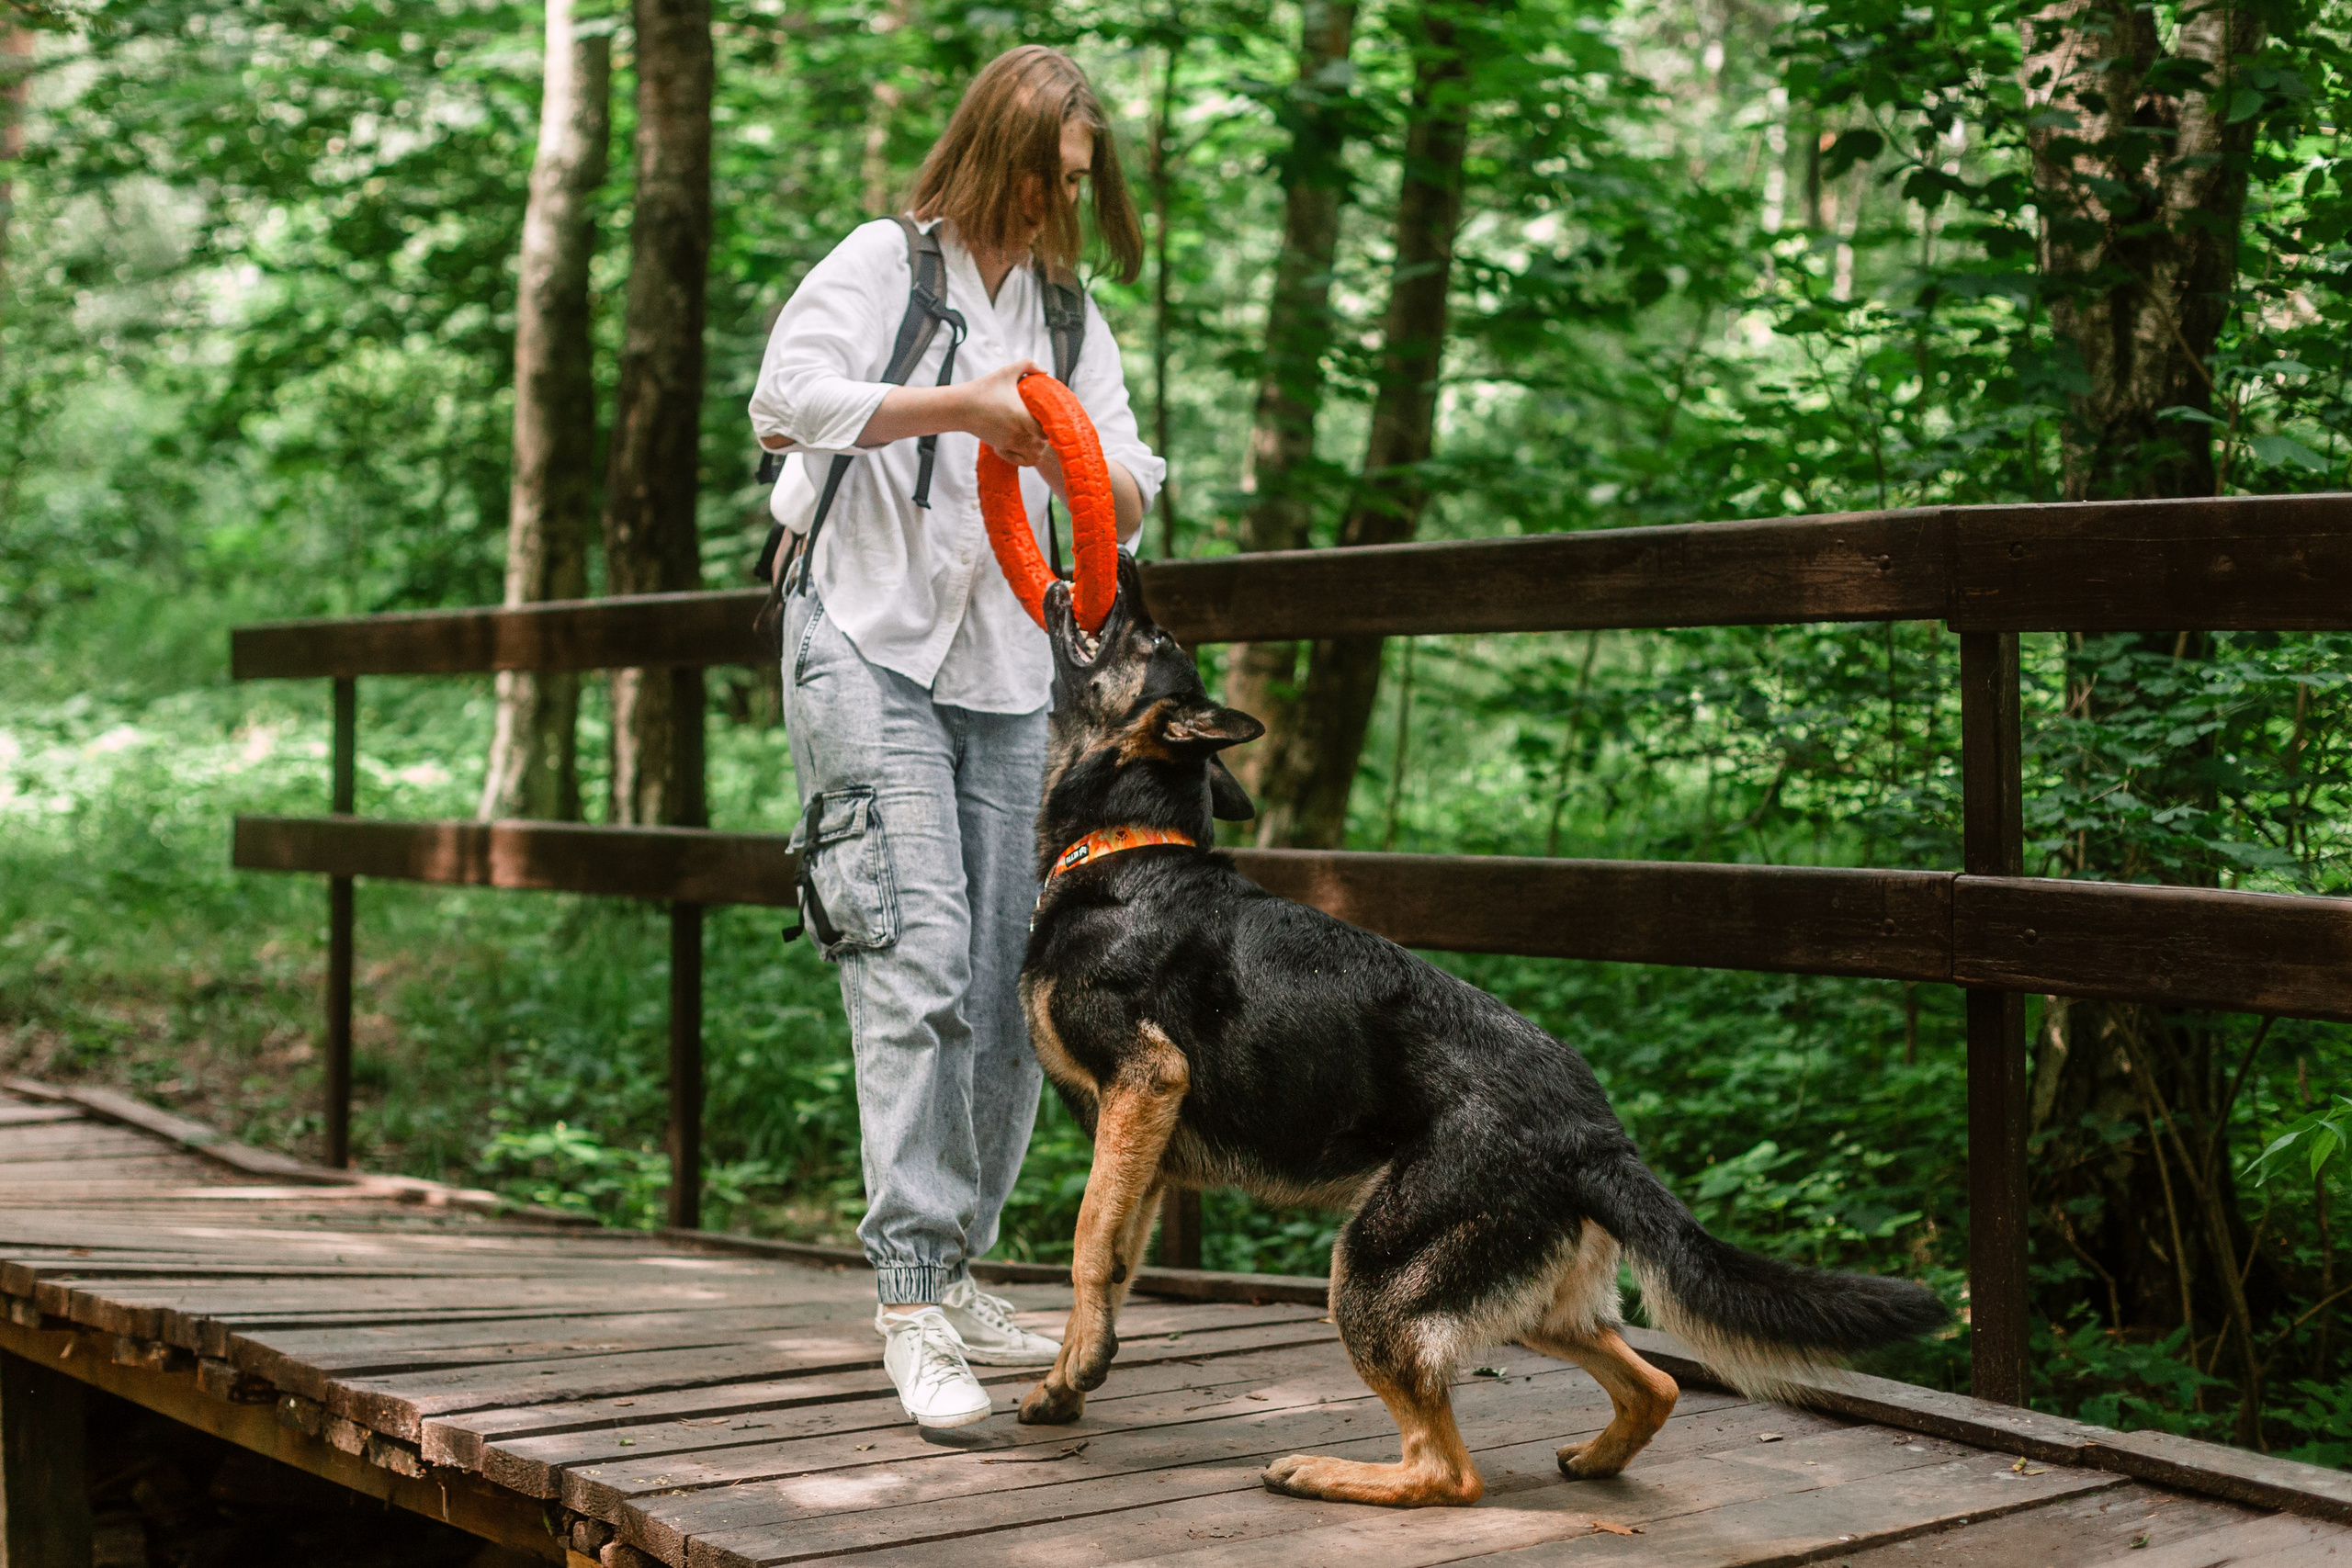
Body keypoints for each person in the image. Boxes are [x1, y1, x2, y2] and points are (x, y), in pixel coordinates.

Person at [746, 46, 1162, 1429]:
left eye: (1082, 187)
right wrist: (966, 410)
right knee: (915, 957)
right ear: (998, 156)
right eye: (1052, 179)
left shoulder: (1062, 306)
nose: (1063, 207)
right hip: (863, 637)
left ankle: (962, 1261)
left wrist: (1086, 474)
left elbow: (1130, 461)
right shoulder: (887, 265)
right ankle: (911, 1296)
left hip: (1001, 665)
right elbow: (787, 399)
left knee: (1005, 983)